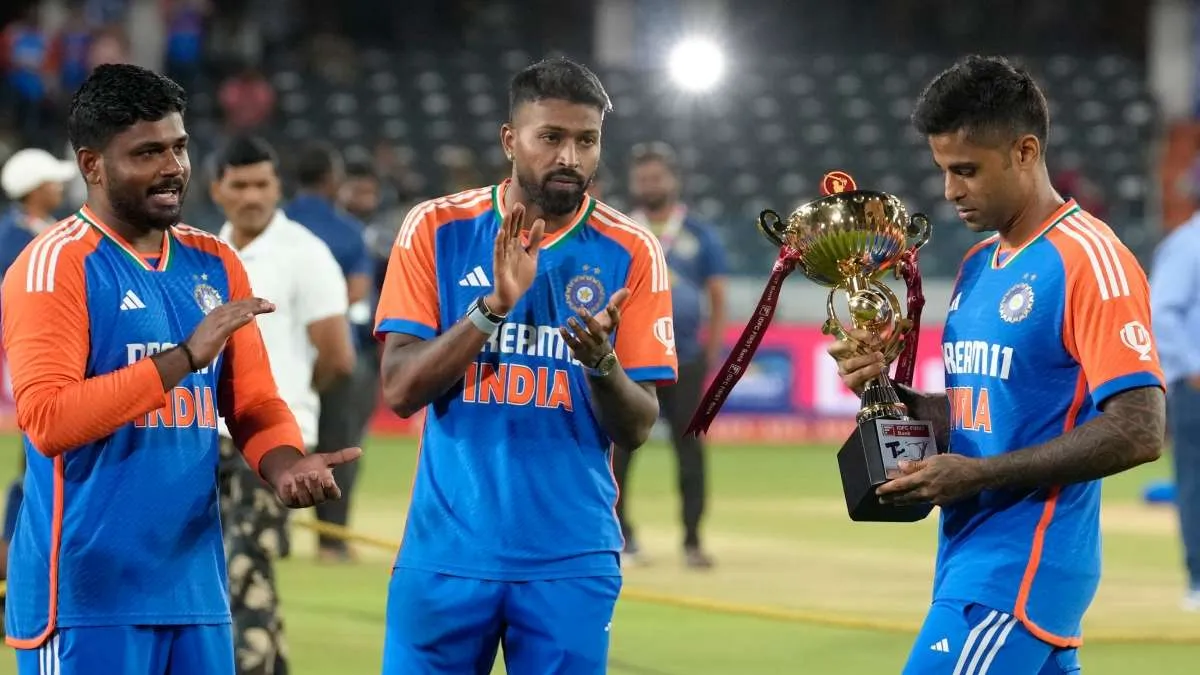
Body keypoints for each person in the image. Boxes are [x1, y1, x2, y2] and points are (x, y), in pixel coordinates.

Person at [1, 63, 362, 675]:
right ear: (92, 165)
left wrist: (284, 464)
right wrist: (184, 359)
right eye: (147, 153)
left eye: (179, 147)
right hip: (88, 598)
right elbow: (48, 420)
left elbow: (252, 402)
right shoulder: (55, 265)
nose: (173, 167)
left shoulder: (215, 260)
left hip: (196, 592)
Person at [826, 55, 1165, 674]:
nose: (950, 191)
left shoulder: (1091, 260)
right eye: (944, 170)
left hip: (1019, 567)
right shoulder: (978, 264)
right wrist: (888, 394)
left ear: (1024, 151)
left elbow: (1140, 429)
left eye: (966, 170)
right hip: (973, 556)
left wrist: (979, 476)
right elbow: (984, 415)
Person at [373, 57, 677, 674]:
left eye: (586, 140)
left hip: (571, 559)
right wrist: (492, 310)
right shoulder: (436, 227)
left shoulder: (632, 250)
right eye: (552, 137)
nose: (570, 157)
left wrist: (601, 363)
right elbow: (400, 389)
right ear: (510, 140)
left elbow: (638, 426)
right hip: (446, 553)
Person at [211, 134, 356, 674]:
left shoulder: (305, 253)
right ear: (217, 189)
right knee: (232, 575)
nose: (252, 196)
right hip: (211, 436)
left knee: (244, 570)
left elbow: (338, 357)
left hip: (277, 444)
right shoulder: (207, 250)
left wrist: (287, 400)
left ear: (278, 187)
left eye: (262, 184)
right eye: (239, 185)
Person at [613, 141, 727, 568]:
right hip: (632, 358)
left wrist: (711, 350)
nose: (649, 184)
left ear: (673, 180)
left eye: (656, 177)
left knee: (690, 450)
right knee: (620, 449)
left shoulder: (698, 233)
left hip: (686, 359)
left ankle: (693, 541)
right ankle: (621, 538)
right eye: (642, 178)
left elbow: (717, 293)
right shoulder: (622, 229)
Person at [284, 142, 374, 563]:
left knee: (277, 443)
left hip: (282, 354)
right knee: (339, 449)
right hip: (337, 356)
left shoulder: (277, 227)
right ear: (332, 180)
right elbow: (356, 294)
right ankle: (331, 543)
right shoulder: (349, 232)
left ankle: (273, 534)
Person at [0, 146, 78, 598]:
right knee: (36, 455)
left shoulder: (44, 230)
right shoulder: (13, 240)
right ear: (33, 190)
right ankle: (15, 561)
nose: (59, 187)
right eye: (51, 181)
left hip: (54, 359)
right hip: (32, 362)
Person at [1148, 200, 1200, 612]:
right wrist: (1191, 367)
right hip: (1196, 388)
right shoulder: (1189, 243)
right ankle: (1198, 579)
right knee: (1195, 482)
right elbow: (1162, 311)